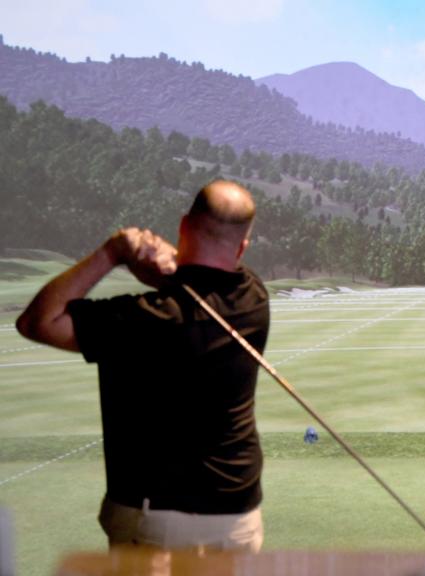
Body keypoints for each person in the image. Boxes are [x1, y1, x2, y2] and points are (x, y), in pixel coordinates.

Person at [16, 180, 269, 552]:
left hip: (156, 517)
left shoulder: (140, 320)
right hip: (238, 516)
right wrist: (166, 269)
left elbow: (38, 321)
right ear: (243, 246)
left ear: (183, 226)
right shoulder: (254, 296)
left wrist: (113, 252)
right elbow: (197, 283)